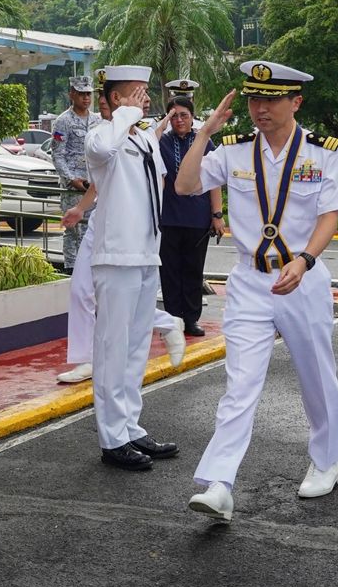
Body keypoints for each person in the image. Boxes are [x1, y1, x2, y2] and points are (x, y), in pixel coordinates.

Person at [176, 61, 338, 520]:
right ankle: (219, 481)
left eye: (271, 100)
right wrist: (204, 133)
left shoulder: (323, 152)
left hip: (303, 279)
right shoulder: (233, 151)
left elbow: (330, 214)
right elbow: (185, 185)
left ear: (296, 101)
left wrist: (305, 259)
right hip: (249, 281)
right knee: (240, 383)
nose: (260, 109)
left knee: (316, 374)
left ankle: (326, 459)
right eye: (254, 99)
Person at [86, 64, 180, 471]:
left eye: (145, 91)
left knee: (137, 347)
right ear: (114, 100)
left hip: (146, 252)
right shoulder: (99, 136)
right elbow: (104, 150)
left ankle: (130, 426)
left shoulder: (144, 141)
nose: (144, 98)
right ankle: (112, 438)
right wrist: (122, 112)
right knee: (113, 348)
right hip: (116, 255)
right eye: (135, 92)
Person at [57, 89, 185, 385]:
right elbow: (100, 179)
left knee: (124, 303)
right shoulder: (101, 134)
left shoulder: (142, 137)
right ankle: (85, 358)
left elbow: (157, 185)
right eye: (102, 105)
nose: (103, 109)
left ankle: (165, 323)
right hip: (102, 225)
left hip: (128, 232)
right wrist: (80, 208)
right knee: (82, 291)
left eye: (104, 103)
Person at [159, 92, 224, 337]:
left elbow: (215, 181)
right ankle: (173, 320)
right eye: (173, 116)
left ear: (193, 117)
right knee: (170, 271)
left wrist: (216, 215)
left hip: (197, 218)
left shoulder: (204, 142)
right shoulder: (161, 142)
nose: (179, 121)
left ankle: (191, 319)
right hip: (169, 218)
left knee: (193, 270)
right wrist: (161, 125)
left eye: (183, 115)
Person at [52, 75, 98, 273]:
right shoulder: (63, 121)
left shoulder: (97, 120)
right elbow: (57, 155)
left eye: (88, 94)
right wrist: (71, 179)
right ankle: (71, 269)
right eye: (81, 94)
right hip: (73, 187)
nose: (85, 98)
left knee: (92, 228)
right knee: (72, 230)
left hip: (93, 185)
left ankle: (89, 267)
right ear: (71, 94)